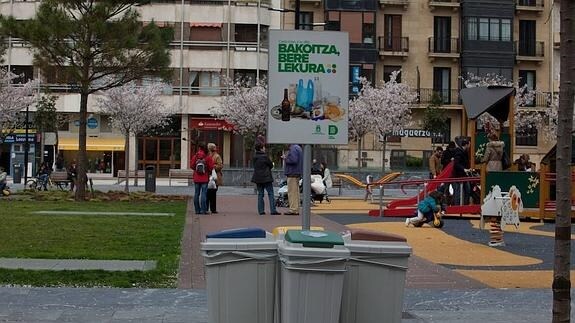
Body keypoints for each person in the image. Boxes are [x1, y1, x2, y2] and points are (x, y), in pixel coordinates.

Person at [251, 142, 281, 215]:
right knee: (270, 193)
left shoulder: (255, 157)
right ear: (261, 148)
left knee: (260, 194)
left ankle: (261, 211)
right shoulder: (265, 157)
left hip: (258, 177)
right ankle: (273, 210)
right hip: (266, 177)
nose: (264, 148)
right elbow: (270, 165)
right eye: (263, 147)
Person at [190, 142, 214, 215]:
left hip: (196, 178)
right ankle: (203, 210)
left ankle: (197, 210)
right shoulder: (207, 157)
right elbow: (211, 167)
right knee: (204, 194)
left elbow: (191, 166)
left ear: (199, 148)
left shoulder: (195, 156)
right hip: (204, 178)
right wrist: (208, 172)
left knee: (196, 193)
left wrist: (196, 170)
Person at [283, 144, 303, 215]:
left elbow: (293, 160)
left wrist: (285, 158)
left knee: (292, 192)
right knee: (295, 192)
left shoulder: (293, 148)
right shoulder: (298, 148)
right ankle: (296, 208)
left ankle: (293, 209)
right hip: (297, 172)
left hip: (292, 172)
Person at [452, 139, 471, 205]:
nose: (469, 146)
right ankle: (457, 206)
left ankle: (465, 205)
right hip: (459, 175)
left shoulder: (464, 152)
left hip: (463, 174)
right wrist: (464, 169)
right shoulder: (459, 152)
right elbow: (456, 164)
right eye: (469, 144)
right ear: (466, 145)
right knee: (459, 191)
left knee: (466, 190)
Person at [206, 143, 223, 214]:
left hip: (215, 176)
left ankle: (212, 208)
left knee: (212, 193)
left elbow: (220, 165)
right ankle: (208, 208)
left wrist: (213, 167)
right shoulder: (208, 155)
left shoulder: (217, 156)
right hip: (209, 176)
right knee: (208, 193)